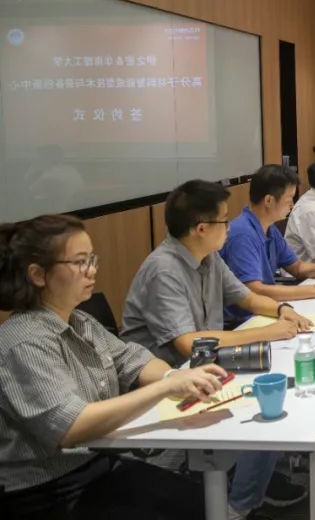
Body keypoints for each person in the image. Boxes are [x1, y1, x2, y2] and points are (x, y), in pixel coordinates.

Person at [0, 214, 226, 519]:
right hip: (48, 492)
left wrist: (178, 375)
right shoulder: (23, 341)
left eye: (92, 259)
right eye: (80, 262)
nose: (92, 270)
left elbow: (132, 359)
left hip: (96, 463)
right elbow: (71, 426)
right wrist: (167, 386)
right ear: (39, 275)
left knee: (194, 499)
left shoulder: (79, 320)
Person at [120, 180, 313, 518]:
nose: (229, 227)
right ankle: (236, 507)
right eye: (224, 220)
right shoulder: (164, 269)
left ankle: (248, 489)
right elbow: (188, 343)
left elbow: (247, 297)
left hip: (205, 366)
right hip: (168, 381)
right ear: (201, 228)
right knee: (265, 407)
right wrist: (268, 331)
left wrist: (282, 310)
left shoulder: (208, 257)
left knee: (277, 391)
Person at [219, 164, 315, 327]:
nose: (292, 205)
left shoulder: (269, 228)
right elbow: (254, 289)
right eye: (289, 199)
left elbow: (296, 266)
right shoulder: (242, 234)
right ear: (269, 200)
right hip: (243, 321)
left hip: (266, 310)